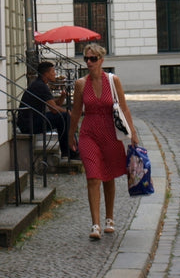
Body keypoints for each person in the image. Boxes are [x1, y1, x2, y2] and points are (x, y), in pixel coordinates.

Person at [68, 42, 139, 240]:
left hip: (110, 134)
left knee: (108, 176)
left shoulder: (113, 81)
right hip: (89, 134)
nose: (89, 62)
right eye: (86, 59)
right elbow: (75, 113)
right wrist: (70, 134)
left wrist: (132, 133)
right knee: (93, 176)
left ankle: (109, 218)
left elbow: (124, 108)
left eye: (93, 59)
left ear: (101, 60)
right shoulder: (81, 84)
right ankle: (95, 224)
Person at [17, 61, 73, 158]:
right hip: (29, 125)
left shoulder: (40, 84)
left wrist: (62, 97)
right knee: (64, 117)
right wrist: (69, 112)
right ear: (46, 74)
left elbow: (54, 104)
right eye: (53, 72)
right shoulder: (40, 86)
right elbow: (54, 110)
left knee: (64, 117)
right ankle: (68, 152)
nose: (55, 74)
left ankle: (68, 151)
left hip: (31, 121)